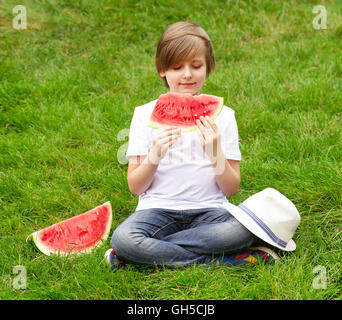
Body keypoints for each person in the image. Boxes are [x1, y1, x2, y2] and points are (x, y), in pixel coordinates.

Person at [105, 21, 279, 270]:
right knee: (123, 238)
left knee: (241, 232)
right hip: (157, 210)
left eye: (196, 66)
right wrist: (155, 155)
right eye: (177, 67)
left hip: (210, 210)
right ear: (161, 69)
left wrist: (215, 152)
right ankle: (221, 261)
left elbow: (230, 189)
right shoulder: (144, 115)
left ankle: (137, 253)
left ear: (208, 68)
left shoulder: (224, 116)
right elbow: (135, 186)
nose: (187, 74)